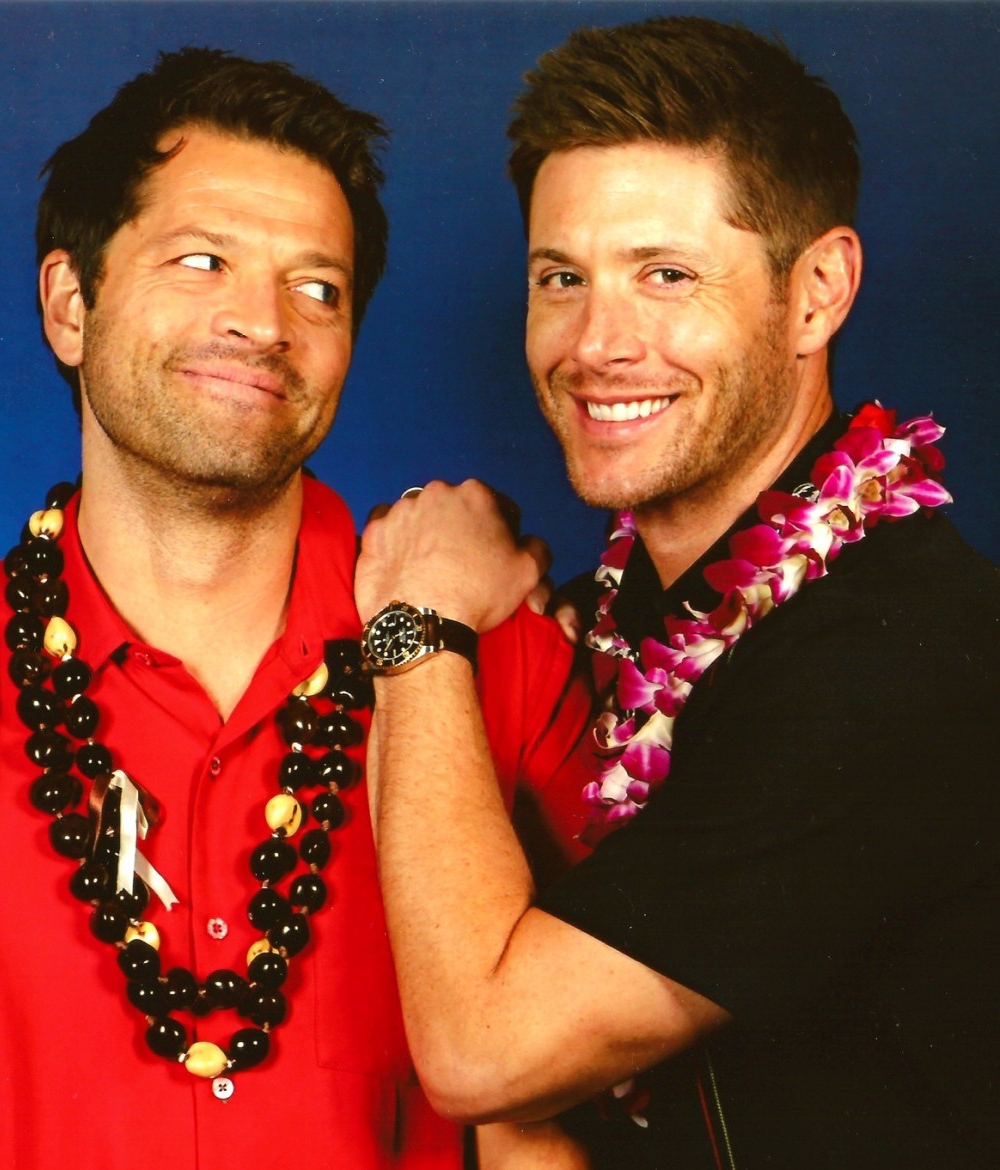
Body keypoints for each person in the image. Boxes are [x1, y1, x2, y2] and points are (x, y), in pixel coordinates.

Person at [0, 48, 594, 1170]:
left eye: (316, 288)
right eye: (202, 260)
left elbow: (664, 1067)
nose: (263, 323)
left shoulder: (487, 656)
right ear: (71, 304)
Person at [355, 17, 1000, 1169]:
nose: (597, 343)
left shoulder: (898, 656)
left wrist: (415, 623)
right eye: (561, 278)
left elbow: (483, 1052)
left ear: (815, 293)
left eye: (665, 275)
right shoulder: (616, 623)